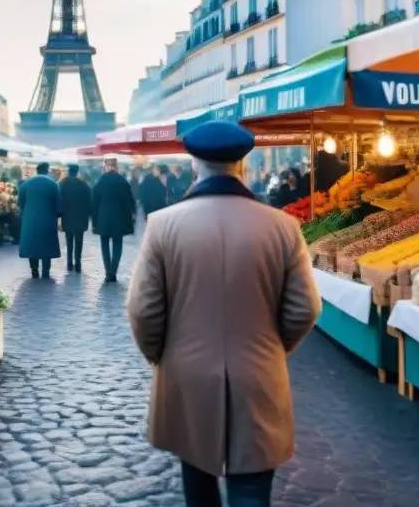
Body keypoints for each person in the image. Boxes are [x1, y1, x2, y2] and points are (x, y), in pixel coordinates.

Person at [126, 120, 321, 507]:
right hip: (259, 371)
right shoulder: (283, 226)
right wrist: (270, 349)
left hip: (187, 373)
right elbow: (305, 307)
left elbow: (144, 310)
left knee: (197, 480)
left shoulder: (163, 225)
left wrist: (162, 357)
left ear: (194, 162)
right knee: (252, 486)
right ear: (242, 165)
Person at [92, 158, 137, 282]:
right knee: (118, 245)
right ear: (116, 167)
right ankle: (113, 272)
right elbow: (130, 202)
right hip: (119, 220)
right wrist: (132, 217)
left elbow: (94, 203)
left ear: (106, 166)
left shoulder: (99, 182)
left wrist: (94, 221)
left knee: (105, 246)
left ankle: (108, 272)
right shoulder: (123, 181)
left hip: (103, 219)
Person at [18, 162, 62, 279]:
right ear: (47, 171)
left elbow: (21, 204)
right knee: (47, 245)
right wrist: (57, 217)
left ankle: (34, 270)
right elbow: (58, 205)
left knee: (32, 245)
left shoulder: (25, 184)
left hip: (30, 220)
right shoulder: (53, 184)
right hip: (47, 219)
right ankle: (46, 271)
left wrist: (26, 214)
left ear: (37, 171)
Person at [59, 164, 92, 272]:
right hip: (81, 217)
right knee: (79, 241)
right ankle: (78, 263)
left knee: (69, 241)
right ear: (77, 172)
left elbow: (59, 200)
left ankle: (69, 263)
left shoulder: (63, 184)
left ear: (69, 172)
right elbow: (89, 201)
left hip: (67, 217)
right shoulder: (83, 185)